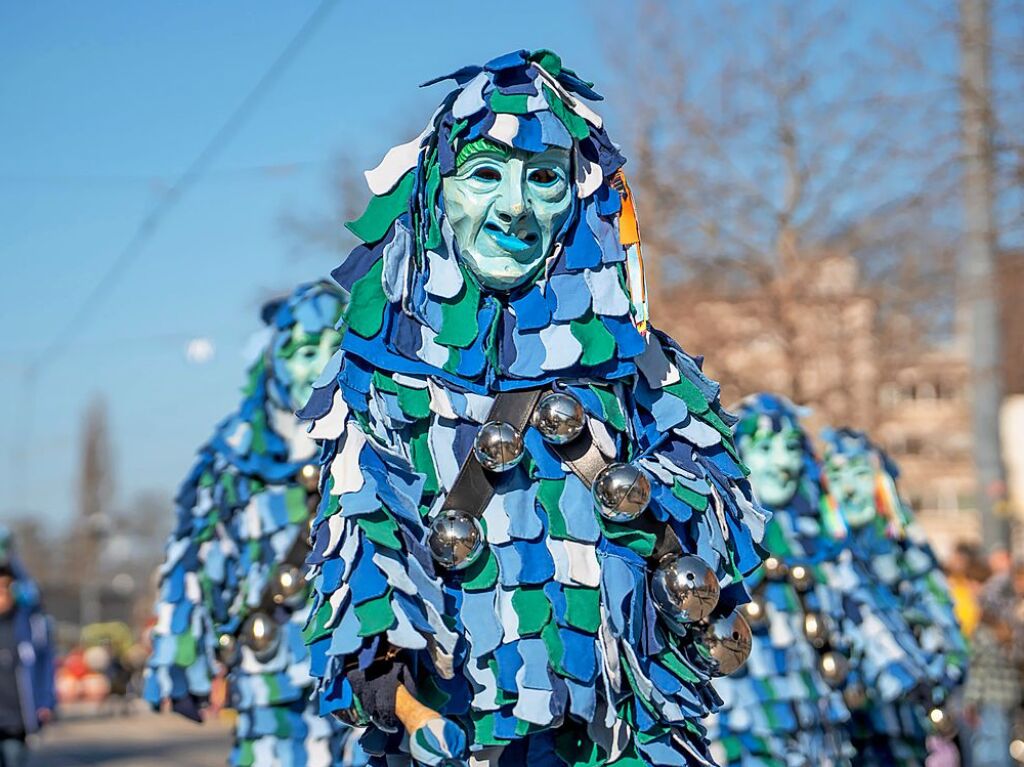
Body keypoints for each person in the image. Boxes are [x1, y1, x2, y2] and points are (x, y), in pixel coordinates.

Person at [297, 49, 769, 766]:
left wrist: (653, 497)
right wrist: (399, 682)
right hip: (460, 729)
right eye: (486, 174)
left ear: (578, 197)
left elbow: (714, 506)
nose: (515, 207)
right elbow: (368, 530)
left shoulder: (641, 363)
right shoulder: (379, 377)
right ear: (436, 192)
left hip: (617, 735)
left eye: (543, 178)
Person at [145, 282, 365, 767]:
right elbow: (193, 556)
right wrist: (182, 655)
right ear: (274, 362)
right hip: (267, 672)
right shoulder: (234, 457)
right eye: (308, 351)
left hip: (361, 673)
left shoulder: (382, 442)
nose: (322, 365)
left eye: (337, 348)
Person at [821, 428, 967, 767]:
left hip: (908, 727)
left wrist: (929, 676)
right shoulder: (823, 561)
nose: (849, 488)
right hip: (844, 731)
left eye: (860, 474)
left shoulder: (909, 556)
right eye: (837, 476)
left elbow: (950, 640)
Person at [0, 559, 56, 767]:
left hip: (15, 719)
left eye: (5, 589)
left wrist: (45, 701)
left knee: (13, 759)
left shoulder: (27, 625)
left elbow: (45, 664)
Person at [963, 607, 1021, 767]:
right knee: (1005, 743)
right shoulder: (1011, 635)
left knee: (991, 745)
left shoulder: (981, 635)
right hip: (1011, 698)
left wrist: (970, 701)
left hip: (990, 699)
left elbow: (977, 672)